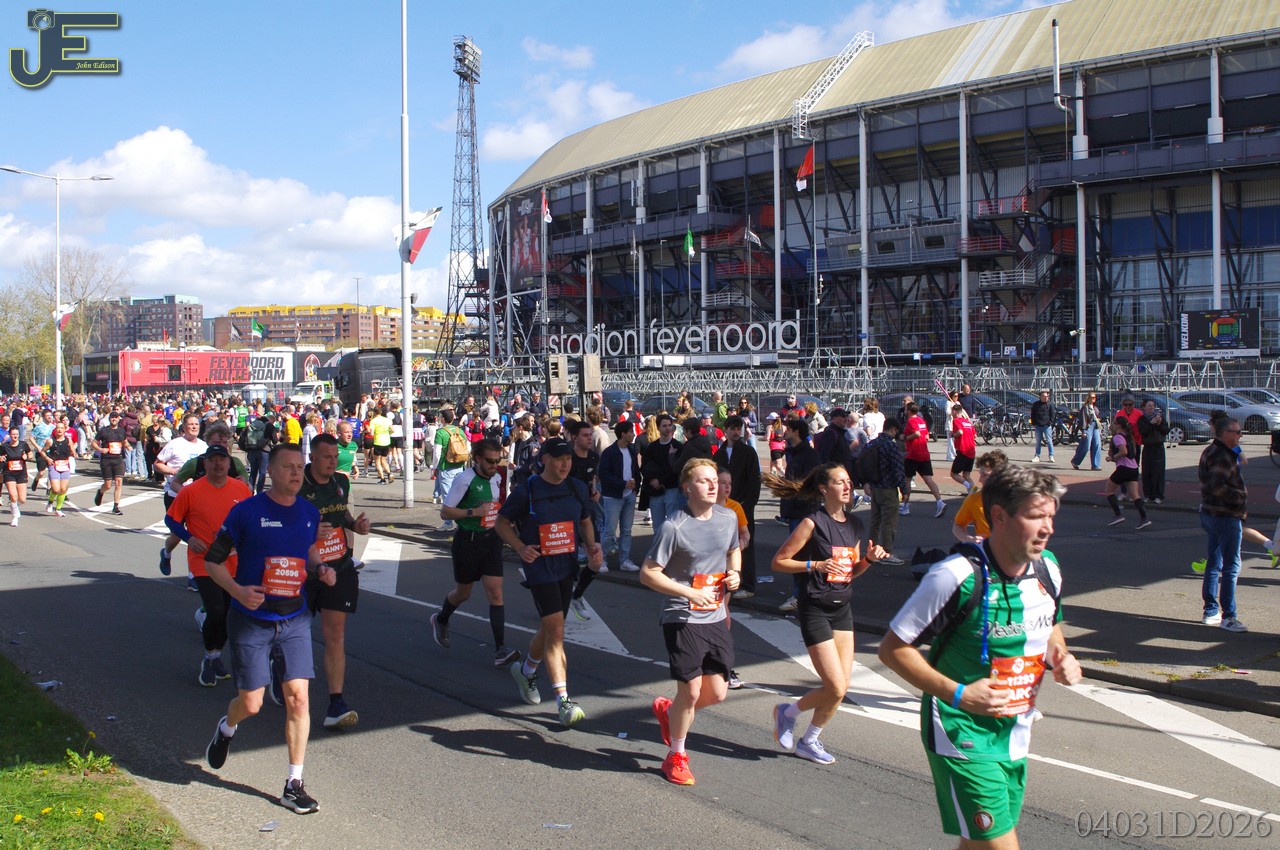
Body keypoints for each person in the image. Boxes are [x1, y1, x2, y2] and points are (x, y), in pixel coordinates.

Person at [879, 464, 1082, 848]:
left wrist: (1062, 657)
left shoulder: (1048, 569)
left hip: (1014, 732)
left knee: (975, 844)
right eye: (1036, 516)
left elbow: (1050, 623)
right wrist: (960, 694)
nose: (1048, 528)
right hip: (960, 733)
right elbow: (893, 650)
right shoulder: (955, 576)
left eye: (1051, 516)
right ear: (999, 516)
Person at [203, 443, 333, 814]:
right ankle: (227, 728)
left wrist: (320, 568)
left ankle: (294, 784)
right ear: (271, 471)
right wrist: (238, 591)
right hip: (252, 620)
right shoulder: (246, 512)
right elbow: (213, 561)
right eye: (288, 467)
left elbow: (307, 551)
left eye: (299, 467)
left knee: (299, 699)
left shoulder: (309, 512)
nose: (295, 473)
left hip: (294, 619)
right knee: (252, 703)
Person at [768, 463, 886, 765]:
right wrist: (815, 565)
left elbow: (850, 571)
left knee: (840, 688)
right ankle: (788, 712)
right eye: (840, 482)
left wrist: (869, 560)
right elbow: (778, 562)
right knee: (834, 685)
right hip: (815, 609)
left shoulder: (855, 525)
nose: (847, 486)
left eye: (848, 481)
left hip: (842, 608)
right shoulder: (812, 523)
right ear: (824, 489)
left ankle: (809, 741)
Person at [640, 458, 741, 786]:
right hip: (681, 614)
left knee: (718, 693)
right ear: (686, 488)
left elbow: (733, 550)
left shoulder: (727, 518)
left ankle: (671, 711)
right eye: (704, 480)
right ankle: (676, 756)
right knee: (692, 690)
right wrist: (688, 592)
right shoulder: (674, 526)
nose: (713, 485)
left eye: (715, 480)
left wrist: (735, 573)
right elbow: (648, 574)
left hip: (714, 613)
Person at [495, 437, 602, 727]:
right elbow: (501, 523)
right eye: (559, 459)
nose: (565, 464)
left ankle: (526, 670)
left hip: (566, 565)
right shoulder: (528, 489)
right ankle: (563, 701)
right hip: (539, 567)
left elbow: (584, 520)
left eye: (568, 459)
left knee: (552, 627)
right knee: (556, 631)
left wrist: (592, 545)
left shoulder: (576, 487)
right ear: (545, 460)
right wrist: (520, 548)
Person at [299, 433, 372, 728]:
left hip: (338, 568)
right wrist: (308, 533)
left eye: (335, 457)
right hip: (302, 572)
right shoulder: (297, 484)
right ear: (313, 458)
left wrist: (355, 525)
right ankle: (282, 669)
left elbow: (342, 515)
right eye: (326, 457)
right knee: (293, 633)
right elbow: (283, 525)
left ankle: (336, 702)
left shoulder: (341, 482)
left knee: (335, 635)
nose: (332, 462)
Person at [166, 444, 253, 687]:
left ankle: (215, 656)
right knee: (215, 610)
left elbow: (251, 519)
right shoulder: (191, 491)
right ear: (204, 463)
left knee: (227, 614)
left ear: (229, 463)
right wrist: (189, 537)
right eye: (212, 459)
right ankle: (209, 657)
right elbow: (170, 519)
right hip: (203, 560)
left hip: (233, 561)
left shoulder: (240, 489)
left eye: (222, 459)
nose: (218, 464)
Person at [430, 438, 520, 667]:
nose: (494, 466)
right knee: (463, 593)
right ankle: (441, 619)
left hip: (491, 541)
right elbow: (446, 512)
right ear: (478, 459)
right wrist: (474, 512)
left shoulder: (497, 477)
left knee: (496, 594)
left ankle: (501, 649)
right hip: (467, 542)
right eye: (490, 461)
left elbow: (497, 506)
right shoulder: (465, 479)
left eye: (497, 461)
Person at [1198, 415, 1249, 633]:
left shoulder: (1212, 451)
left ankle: (1210, 610)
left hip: (1212, 513)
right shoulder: (1222, 455)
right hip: (1225, 515)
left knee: (1215, 562)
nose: (1240, 436)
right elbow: (1215, 485)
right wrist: (1239, 498)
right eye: (1237, 432)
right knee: (1231, 565)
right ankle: (1229, 615)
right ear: (1226, 433)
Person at [776, 417, 822, 612]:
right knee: (797, 555)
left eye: (788, 429)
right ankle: (802, 594)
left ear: (796, 432)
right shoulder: (793, 452)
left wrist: (788, 490)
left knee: (801, 555)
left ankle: (801, 595)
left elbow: (809, 484)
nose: (784, 431)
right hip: (795, 509)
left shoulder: (809, 455)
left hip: (804, 511)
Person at [717, 415, 762, 599]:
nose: (736, 432)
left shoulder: (748, 452)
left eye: (739, 429)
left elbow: (755, 480)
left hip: (742, 506)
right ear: (726, 430)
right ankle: (728, 581)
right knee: (724, 546)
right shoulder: (719, 453)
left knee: (746, 544)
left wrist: (748, 504)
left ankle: (748, 584)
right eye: (733, 429)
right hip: (722, 507)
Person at [598, 421, 641, 571]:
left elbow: (635, 470)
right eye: (631, 431)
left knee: (626, 530)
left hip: (629, 495)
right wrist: (623, 484)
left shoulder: (631, 451)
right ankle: (601, 560)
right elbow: (604, 474)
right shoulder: (609, 452)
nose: (633, 434)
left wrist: (636, 487)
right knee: (610, 530)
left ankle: (625, 560)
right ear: (623, 434)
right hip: (613, 496)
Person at [864, 418, 906, 566]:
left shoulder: (872, 443)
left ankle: (872, 550)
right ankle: (886, 552)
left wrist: (866, 482)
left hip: (874, 486)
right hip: (888, 487)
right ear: (893, 429)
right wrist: (904, 489)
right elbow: (898, 469)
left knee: (875, 520)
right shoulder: (891, 446)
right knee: (889, 522)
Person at [951, 451, 1008, 545]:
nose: (980, 480)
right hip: (987, 551)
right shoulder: (974, 500)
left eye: (985, 475)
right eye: (980, 474)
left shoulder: (1016, 498)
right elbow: (958, 525)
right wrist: (969, 539)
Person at [901, 402, 947, 519]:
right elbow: (926, 436)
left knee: (907, 480)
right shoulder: (921, 421)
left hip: (912, 455)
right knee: (928, 480)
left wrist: (906, 437)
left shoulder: (911, 421)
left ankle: (905, 506)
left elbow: (916, 433)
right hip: (924, 454)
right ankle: (939, 502)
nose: (904, 411)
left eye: (906, 409)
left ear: (909, 411)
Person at [1104, 416, 1150, 530]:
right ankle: (1144, 518)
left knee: (1108, 490)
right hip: (1133, 468)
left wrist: (1112, 458)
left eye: (1114, 423)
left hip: (1124, 468)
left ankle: (1118, 515)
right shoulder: (1128, 436)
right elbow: (1130, 453)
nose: (1112, 425)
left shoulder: (1118, 437)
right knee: (1135, 495)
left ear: (1119, 425)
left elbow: (1123, 452)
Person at [641, 414, 683, 536]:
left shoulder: (677, 446)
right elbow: (644, 467)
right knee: (658, 527)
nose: (668, 428)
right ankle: (659, 547)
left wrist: (661, 481)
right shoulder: (652, 447)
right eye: (664, 426)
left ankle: (671, 548)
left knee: (672, 526)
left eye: (669, 425)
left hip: (672, 489)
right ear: (658, 427)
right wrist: (653, 480)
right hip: (656, 492)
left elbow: (677, 470)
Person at [433, 408, 469, 524]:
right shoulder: (459, 431)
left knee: (447, 496)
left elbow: (437, 453)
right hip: (460, 466)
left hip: (446, 466)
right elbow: (468, 448)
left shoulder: (440, 432)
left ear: (443, 419)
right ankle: (460, 521)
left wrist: (434, 467)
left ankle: (448, 522)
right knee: (460, 494)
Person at [91, 411, 128, 515]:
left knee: (119, 482)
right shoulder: (104, 431)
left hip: (118, 459)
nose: (114, 419)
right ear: (109, 419)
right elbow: (94, 443)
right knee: (108, 485)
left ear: (118, 419)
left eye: (116, 417)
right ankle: (101, 492)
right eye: (112, 417)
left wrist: (128, 447)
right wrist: (100, 449)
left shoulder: (121, 431)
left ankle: (116, 507)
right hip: (106, 459)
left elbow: (124, 441)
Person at [37, 419, 74, 517]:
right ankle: (50, 502)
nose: (59, 430)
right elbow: (42, 451)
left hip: (65, 466)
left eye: (62, 428)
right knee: (56, 489)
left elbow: (72, 450)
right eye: (58, 428)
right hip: (54, 465)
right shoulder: (50, 441)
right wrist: (47, 459)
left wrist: (74, 453)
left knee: (63, 489)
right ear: (55, 430)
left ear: (65, 430)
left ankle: (58, 509)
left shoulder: (68, 440)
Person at [1137, 399, 1170, 504]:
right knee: (1147, 472)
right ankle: (1148, 495)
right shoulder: (1142, 419)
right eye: (1149, 405)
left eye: (1153, 405)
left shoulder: (1159, 417)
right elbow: (1143, 432)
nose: (1152, 407)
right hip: (1148, 447)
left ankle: (1158, 495)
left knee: (1158, 472)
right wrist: (1151, 424)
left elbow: (1166, 430)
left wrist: (1159, 424)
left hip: (1158, 447)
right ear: (1144, 408)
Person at [1, 427, 30, 526]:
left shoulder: (23, 444)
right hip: (9, 473)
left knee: (22, 499)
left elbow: (30, 454)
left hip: (21, 473)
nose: (15, 436)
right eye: (13, 434)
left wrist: (27, 456)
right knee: (13, 496)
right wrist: (1, 458)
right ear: (10, 435)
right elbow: (0, 456)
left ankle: (15, 506)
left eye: (17, 434)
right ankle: (15, 517)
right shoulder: (5, 446)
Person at [1070, 392, 1103, 471]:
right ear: (1088, 398)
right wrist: (1084, 431)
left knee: (1097, 444)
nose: (1094, 399)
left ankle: (1095, 465)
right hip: (1088, 427)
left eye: (1095, 397)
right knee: (1086, 446)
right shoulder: (1085, 407)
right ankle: (1075, 461)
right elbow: (1083, 419)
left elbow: (1097, 416)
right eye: (1092, 397)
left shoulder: (1095, 407)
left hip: (1095, 426)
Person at [949, 404, 977, 493]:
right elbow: (975, 435)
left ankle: (968, 486)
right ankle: (973, 492)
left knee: (953, 473)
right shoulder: (968, 422)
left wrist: (953, 434)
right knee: (966, 475)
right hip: (971, 450)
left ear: (954, 411)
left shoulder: (956, 421)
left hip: (963, 450)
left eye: (952, 411)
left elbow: (960, 432)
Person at [1029, 390, 1057, 464]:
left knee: (1049, 441)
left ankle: (1051, 456)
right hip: (1038, 425)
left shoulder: (1050, 404)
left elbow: (1052, 415)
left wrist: (1049, 423)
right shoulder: (1036, 404)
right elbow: (1032, 414)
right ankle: (1037, 456)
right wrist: (1034, 423)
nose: (1046, 398)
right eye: (1044, 396)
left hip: (1046, 426)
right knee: (1038, 442)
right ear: (1040, 397)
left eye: (1047, 396)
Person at [369, 405, 393, 484]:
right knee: (384, 460)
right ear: (381, 412)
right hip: (386, 441)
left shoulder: (373, 421)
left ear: (374, 413)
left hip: (378, 441)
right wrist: (388, 433)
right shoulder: (386, 420)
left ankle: (382, 479)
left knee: (377, 461)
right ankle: (389, 473)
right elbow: (392, 430)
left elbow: (371, 433)